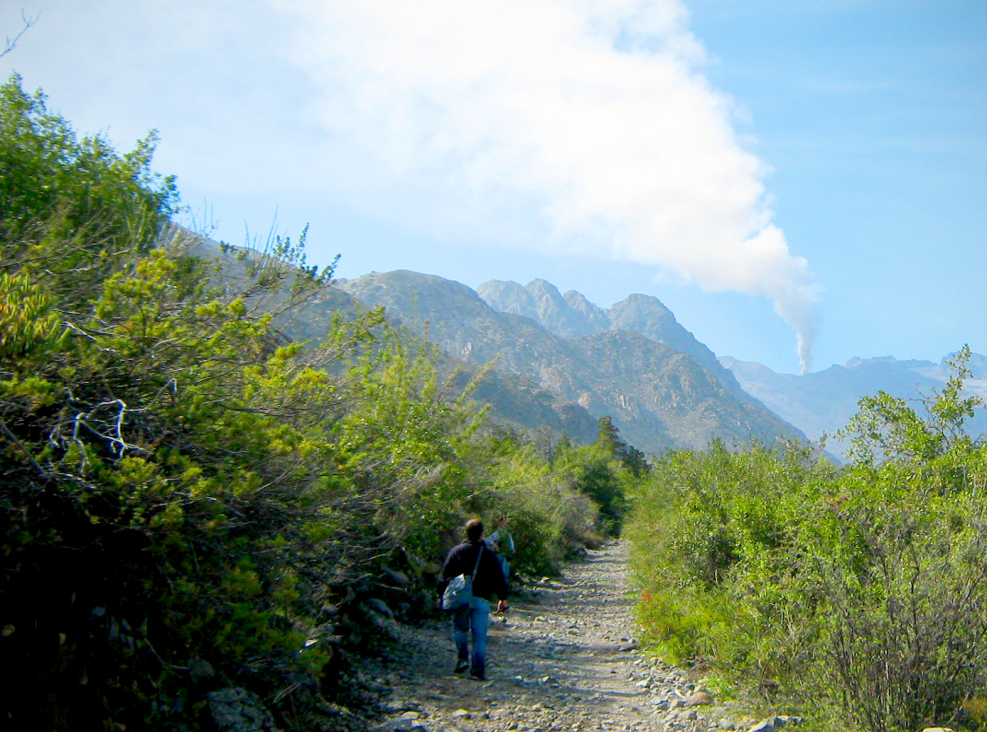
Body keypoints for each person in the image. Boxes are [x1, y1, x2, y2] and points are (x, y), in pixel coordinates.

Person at [439, 518, 509, 681]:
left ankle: (462, 659)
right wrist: (502, 598)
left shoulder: (456, 551)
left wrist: (441, 595)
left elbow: (445, 575)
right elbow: (499, 577)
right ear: (482, 534)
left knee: (460, 629)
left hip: (460, 596)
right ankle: (478, 669)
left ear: (466, 532)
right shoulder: (489, 554)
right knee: (479, 636)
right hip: (481, 598)